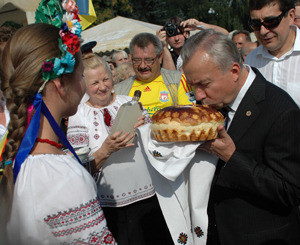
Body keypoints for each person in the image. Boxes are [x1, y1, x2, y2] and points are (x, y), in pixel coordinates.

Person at [0, 0, 116, 244]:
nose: (84, 85)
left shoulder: (14, 163)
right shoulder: (61, 177)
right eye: (81, 74)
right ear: (59, 84)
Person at [181, 29, 300, 245]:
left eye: (204, 84)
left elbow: (290, 191)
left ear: (234, 71)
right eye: (192, 86)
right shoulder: (210, 105)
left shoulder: (280, 110)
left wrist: (232, 157)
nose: (197, 96)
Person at [67, 53, 173, 245]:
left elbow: (155, 144)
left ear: (112, 76)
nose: (102, 86)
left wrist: (146, 128)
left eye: (106, 79)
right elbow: (78, 169)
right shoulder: (78, 115)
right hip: (112, 205)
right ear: (83, 85)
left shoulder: (129, 102)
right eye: (95, 83)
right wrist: (105, 150)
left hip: (148, 198)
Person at [114, 32, 196, 117]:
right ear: (131, 58)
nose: (143, 66)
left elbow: (188, 116)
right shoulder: (119, 90)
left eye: (148, 60)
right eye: (137, 60)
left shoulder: (178, 80)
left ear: (160, 57)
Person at [245, 0, 300, 107]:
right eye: (255, 24)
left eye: (271, 22)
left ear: (291, 16)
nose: (263, 31)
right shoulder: (251, 60)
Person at [157, 17, 228, 71]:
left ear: (186, 33)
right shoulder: (164, 56)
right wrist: (164, 47)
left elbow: (225, 34)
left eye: (179, 34)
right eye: (172, 35)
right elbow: (171, 79)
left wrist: (201, 25)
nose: (176, 38)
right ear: (166, 37)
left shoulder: (197, 48)